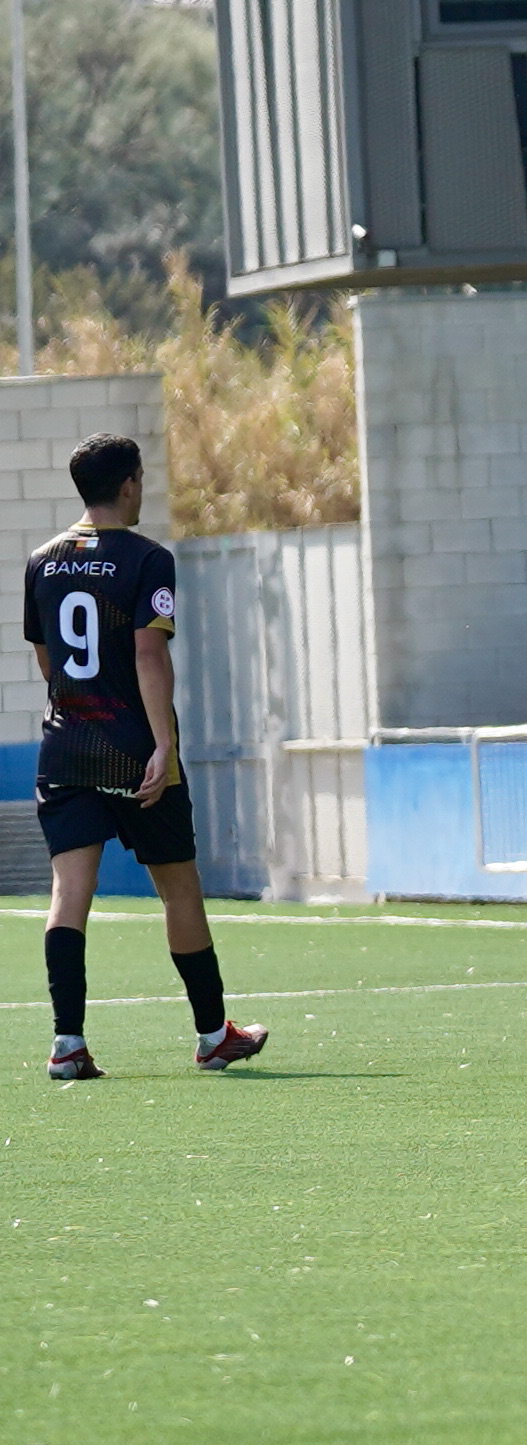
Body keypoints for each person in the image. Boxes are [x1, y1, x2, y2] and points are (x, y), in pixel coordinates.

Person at [24, 434, 270, 1081]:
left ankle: (67, 1043)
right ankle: (214, 1035)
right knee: (178, 889)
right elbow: (148, 654)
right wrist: (162, 742)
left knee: (69, 891)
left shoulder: (41, 562)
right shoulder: (147, 559)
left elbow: (47, 660)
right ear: (130, 483)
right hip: (133, 747)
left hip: (68, 746)